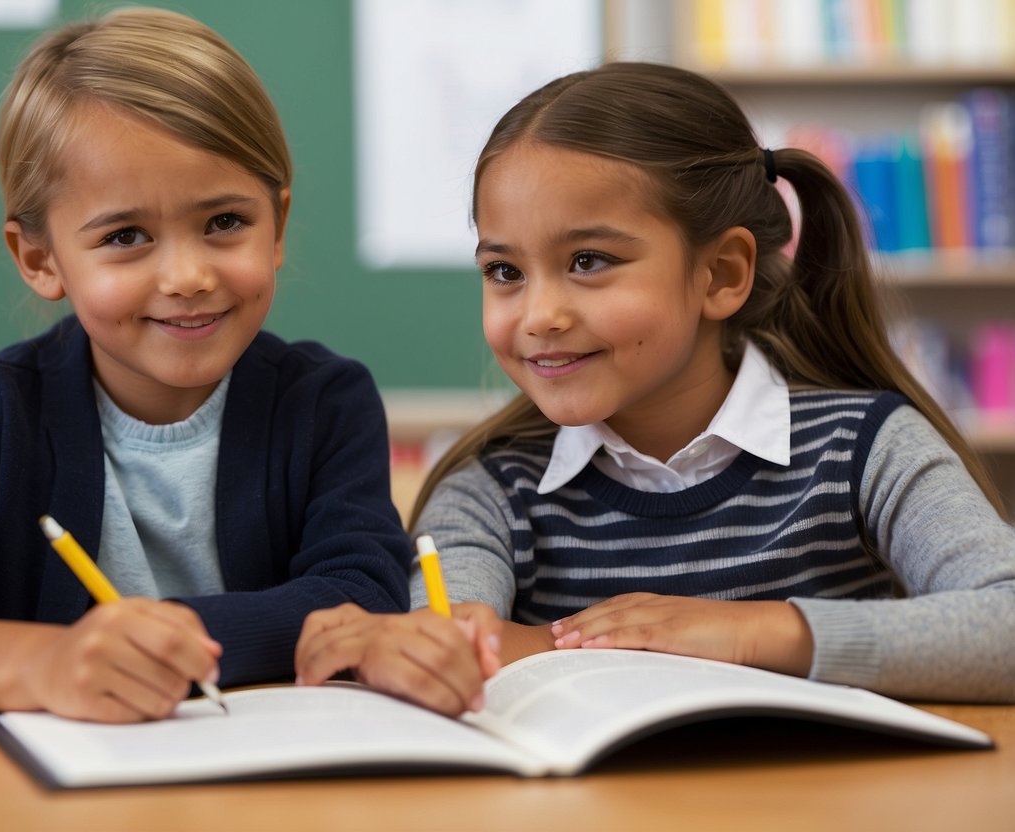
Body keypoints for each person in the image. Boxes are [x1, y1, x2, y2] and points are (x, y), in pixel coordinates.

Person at [295, 61, 1015, 716]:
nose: (539, 316)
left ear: (721, 274)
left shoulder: (867, 448)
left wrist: (748, 631)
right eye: (504, 272)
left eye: (587, 260)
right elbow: (452, 645)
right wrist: (428, 652)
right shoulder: (489, 488)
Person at [0, 7, 411, 723]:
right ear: (40, 259)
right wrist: (47, 663)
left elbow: (363, 596)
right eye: (126, 235)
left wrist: (157, 645)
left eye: (224, 222)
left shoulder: (325, 402)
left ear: (276, 224)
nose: (187, 275)